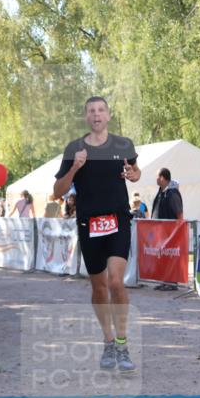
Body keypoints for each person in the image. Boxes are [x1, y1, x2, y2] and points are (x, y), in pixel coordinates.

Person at [53, 96, 141, 371]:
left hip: (118, 220)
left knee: (116, 281)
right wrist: (76, 167)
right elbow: (58, 191)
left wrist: (132, 172)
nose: (96, 114)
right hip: (88, 224)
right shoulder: (74, 149)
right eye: (91, 110)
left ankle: (123, 345)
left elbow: (136, 173)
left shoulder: (123, 144)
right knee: (99, 287)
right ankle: (108, 342)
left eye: (101, 110)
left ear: (109, 115)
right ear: (86, 117)